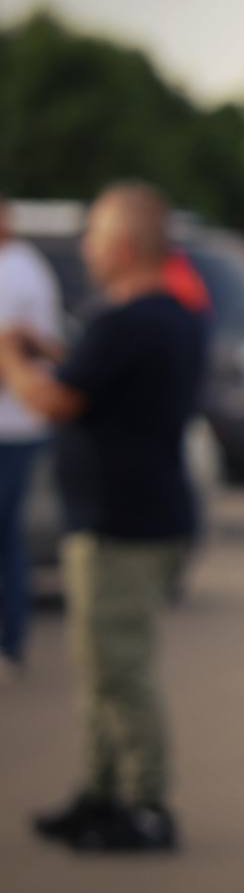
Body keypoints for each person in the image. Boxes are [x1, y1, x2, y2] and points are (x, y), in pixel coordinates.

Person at [0, 183, 208, 854]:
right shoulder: (167, 317)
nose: (87, 247)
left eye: (94, 234)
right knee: (101, 668)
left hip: (121, 524)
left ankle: (145, 804)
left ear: (123, 245)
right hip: (139, 516)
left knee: (119, 669)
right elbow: (99, 378)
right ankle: (100, 793)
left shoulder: (126, 322)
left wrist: (9, 358)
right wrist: (49, 351)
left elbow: (58, 401)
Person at [0, 192, 64, 681]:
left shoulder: (24, 270)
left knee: (6, 535)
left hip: (14, 426)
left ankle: (10, 643)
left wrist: (15, 352)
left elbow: (47, 349)